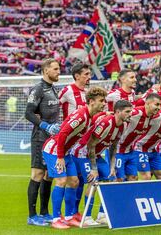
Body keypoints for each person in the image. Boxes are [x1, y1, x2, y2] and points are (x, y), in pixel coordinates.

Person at [42, 87, 107, 229]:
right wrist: (60, 157)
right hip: (54, 151)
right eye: (101, 101)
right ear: (91, 101)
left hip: (66, 152)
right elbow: (63, 134)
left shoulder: (90, 117)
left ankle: (70, 216)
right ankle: (56, 219)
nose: (104, 104)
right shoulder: (81, 115)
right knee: (61, 180)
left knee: (74, 181)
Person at [79, 100, 133, 225]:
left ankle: (102, 215)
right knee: (92, 181)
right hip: (82, 153)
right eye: (127, 111)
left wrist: (112, 166)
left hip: (97, 155)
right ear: (118, 112)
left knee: (111, 178)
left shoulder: (123, 125)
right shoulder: (106, 123)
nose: (130, 114)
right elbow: (90, 145)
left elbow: (113, 147)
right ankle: (86, 217)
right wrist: (94, 168)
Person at [25, 58, 61, 226]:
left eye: (58, 68)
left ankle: (44, 212)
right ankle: (32, 216)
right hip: (40, 137)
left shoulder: (53, 89)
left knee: (48, 176)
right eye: (55, 69)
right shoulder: (38, 89)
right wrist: (45, 125)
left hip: (52, 139)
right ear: (46, 70)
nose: (58, 71)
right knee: (37, 175)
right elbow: (29, 113)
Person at [57, 62, 92, 222]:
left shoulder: (89, 93)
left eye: (89, 74)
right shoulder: (67, 91)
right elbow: (53, 106)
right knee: (73, 178)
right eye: (86, 74)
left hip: (83, 141)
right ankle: (67, 213)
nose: (89, 77)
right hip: (70, 141)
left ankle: (75, 212)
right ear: (77, 76)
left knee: (81, 178)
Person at [115, 93, 161, 182]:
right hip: (117, 150)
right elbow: (117, 115)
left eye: (160, 105)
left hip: (130, 151)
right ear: (147, 103)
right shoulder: (135, 113)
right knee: (119, 179)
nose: (159, 108)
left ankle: (130, 196)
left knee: (133, 178)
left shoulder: (155, 117)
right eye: (156, 104)